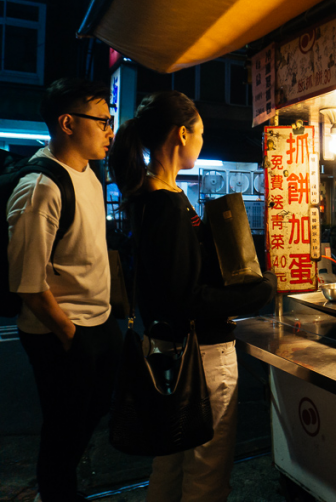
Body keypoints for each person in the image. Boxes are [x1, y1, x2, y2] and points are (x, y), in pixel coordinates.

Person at [108, 91, 276, 502]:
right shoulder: (165, 205)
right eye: (200, 133)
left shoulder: (149, 199)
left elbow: (172, 283)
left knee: (169, 465)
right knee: (206, 473)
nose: (202, 142)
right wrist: (261, 290)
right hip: (200, 357)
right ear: (183, 134)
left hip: (168, 350)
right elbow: (187, 299)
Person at [7, 78, 122, 502]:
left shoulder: (89, 173)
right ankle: (55, 494)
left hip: (97, 322)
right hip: (59, 332)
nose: (111, 130)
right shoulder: (41, 188)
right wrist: (71, 336)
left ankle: (60, 488)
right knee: (64, 427)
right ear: (68, 123)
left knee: (87, 417)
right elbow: (28, 284)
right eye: (103, 122)